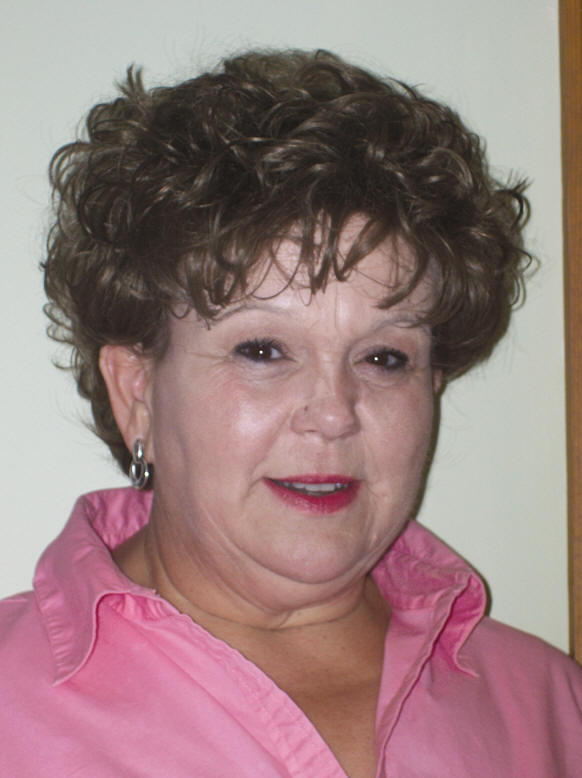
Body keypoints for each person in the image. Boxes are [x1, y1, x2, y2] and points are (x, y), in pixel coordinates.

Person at [0, 49, 580, 778]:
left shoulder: (552, 705)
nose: (334, 415)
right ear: (136, 390)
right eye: (264, 350)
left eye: (384, 357)